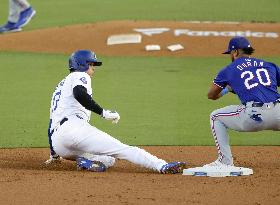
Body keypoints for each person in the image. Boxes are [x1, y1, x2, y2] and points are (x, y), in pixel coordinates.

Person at [45, 50, 186, 174]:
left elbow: (51, 123)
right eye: (91, 64)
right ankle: (162, 165)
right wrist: (103, 113)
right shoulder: (79, 76)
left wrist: (54, 155)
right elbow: (80, 93)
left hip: (59, 143)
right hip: (74, 130)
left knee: (109, 160)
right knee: (122, 149)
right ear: (82, 64)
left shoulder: (60, 87)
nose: (93, 69)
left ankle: (85, 161)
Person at [205, 36, 280, 168]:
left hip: (255, 117)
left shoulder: (229, 70)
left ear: (235, 52)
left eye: (230, 53)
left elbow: (211, 95)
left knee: (215, 117)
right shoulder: (269, 65)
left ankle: (225, 162)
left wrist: (227, 89)